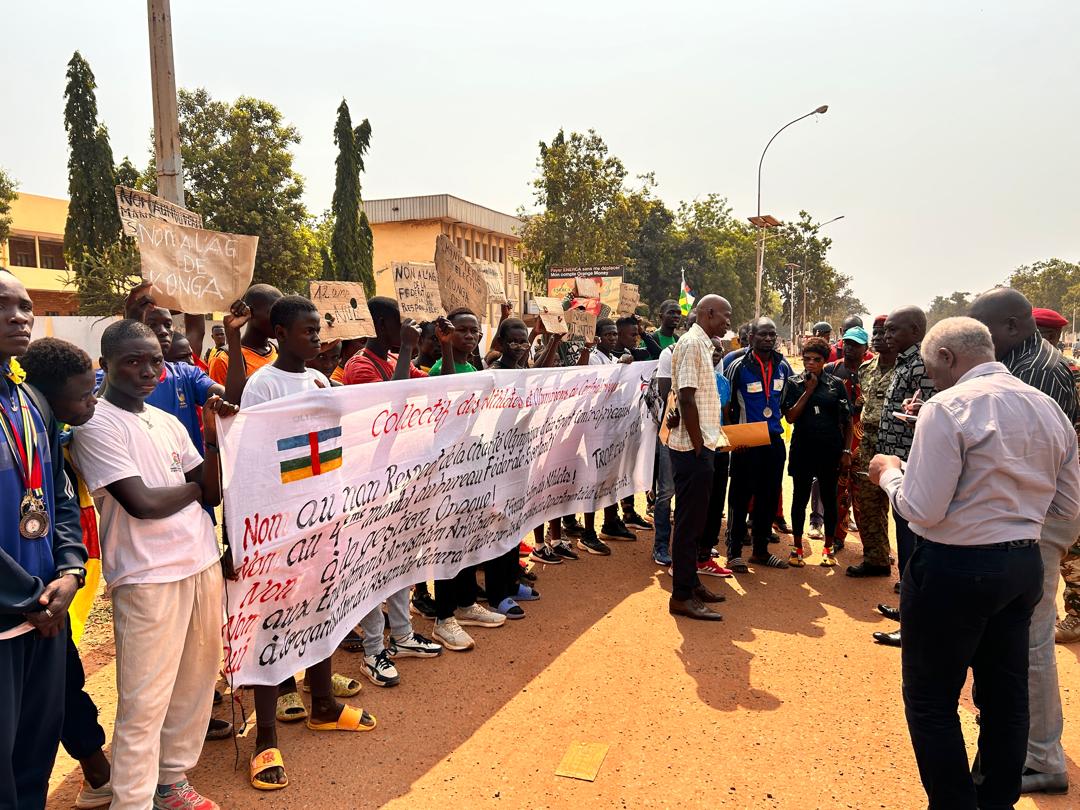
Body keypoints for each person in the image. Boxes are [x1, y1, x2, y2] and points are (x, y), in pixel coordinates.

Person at [869, 316, 1080, 810]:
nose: (932, 381)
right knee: (1006, 697)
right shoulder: (1048, 408)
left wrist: (889, 475)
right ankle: (994, 800)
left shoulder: (948, 407)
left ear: (946, 357)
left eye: (931, 368)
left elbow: (922, 510)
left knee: (931, 700)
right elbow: (1068, 508)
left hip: (953, 569)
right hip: (1023, 566)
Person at [71, 319, 234, 810]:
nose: (147, 370)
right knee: (144, 701)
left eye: (154, 361)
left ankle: (171, 783)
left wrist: (209, 438)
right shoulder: (94, 423)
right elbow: (141, 502)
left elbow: (211, 488)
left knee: (196, 682)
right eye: (133, 362)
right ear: (107, 366)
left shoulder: (164, 421)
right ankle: (133, 802)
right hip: (147, 575)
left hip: (199, 561)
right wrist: (190, 491)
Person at [239, 296, 376, 792]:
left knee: (322, 608)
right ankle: (266, 737)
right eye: (306, 330)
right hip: (279, 524)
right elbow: (251, 457)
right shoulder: (263, 384)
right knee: (273, 620)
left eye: (318, 330)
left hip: (323, 517)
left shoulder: (319, 381)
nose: (316, 338)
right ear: (279, 331)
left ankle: (322, 703)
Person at [969, 287, 1080, 795]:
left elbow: (1023, 462)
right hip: (1034, 517)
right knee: (1016, 639)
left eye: (984, 332)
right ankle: (1029, 744)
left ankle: (1040, 758)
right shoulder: (1034, 364)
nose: (978, 343)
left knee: (1031, 642)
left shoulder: (1034, 374)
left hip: (1035, 520)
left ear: (1012, 329)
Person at [0, 270, 89, 810]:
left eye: (25, 306)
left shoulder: (30, 400)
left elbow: (57, 494)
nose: (18, 316)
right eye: (2, 306)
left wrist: (71, 570)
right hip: (14, 615)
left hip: (45, 613)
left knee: (32, 762)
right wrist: (28, 595)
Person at [22, 338, 113, 809]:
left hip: (59, 576)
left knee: (63, 679)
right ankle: (97, 772)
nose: (92, 402)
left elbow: (58, 506)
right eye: (83, 396)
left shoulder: (54, 432)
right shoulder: (30, 425)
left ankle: (97, 772)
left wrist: (71, 570)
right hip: (26, 595)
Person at [340, 297, 444, 677]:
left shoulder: (392, 361)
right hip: (368, 482)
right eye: (401, 324)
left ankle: (401, 634)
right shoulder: (361, 366)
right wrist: (409, 350)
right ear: (383, 324)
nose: (409, 329)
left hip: (399, 477)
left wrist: (442, 346)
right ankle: (372, 649)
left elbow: (438, 386)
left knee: (400, 558)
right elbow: (391, 405)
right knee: (370, 566)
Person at [427, 308, 509, 649]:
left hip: (470, 465)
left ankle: (464, 605)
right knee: (447, 542)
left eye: (474, 331)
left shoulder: (473, 366)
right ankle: (443, 618)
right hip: (448, 467)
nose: (470, 335)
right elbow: (446, 398)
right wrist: (445, 348)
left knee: (464, 539)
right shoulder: (440, 366)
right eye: (462, 330)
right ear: (447, 333)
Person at [665, 294, 732, 620]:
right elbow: (686, 398)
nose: (728, 322)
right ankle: (680, 596)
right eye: (725, 316)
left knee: (697, 521)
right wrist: (697, 446)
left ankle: (691, 584)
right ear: (709, 313)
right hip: (694, 449)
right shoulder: (692, 344)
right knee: (690, 524)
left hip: (702, 444)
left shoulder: (702, 344)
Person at [725, 317, 795, 571]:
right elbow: (727, 405)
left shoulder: (783, 366)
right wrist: (736, 437)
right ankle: (733, 552)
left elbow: (784, 401)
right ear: (751, 336)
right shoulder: (737, 366)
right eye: (763, 334)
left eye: (772, 335)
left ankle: (761, 551)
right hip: (746, 441)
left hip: (774, 440)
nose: (768, 339)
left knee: (768, 496)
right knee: (740, 497)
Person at [876, 305, 936, 591]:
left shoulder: (923, 363)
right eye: (885, 330)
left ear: (914, 330)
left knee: (912, 530)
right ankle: (908, 582)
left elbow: (930, 410)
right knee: (903, 527)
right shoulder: (904, 361)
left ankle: (912, 587)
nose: (886, 335)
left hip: (911, 461)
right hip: (895, 459)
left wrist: (917, 412)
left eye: (892, 329)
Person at [780, 337, 852, 567]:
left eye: (816, 360)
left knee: (829, 499)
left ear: (824, 361)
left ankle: (828, 548)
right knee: (799, 498)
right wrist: (808, 391)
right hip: (803, 449)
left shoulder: (835, 384)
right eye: (807, 359)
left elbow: (848, 420)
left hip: (830, 450)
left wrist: (846, 450)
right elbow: (790, 417)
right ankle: (797, 547)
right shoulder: (793, 383)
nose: (810, 363)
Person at [575, 318, 634, 550]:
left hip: (612, 427)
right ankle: (588, 532)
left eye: (613, 334)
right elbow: (590, 383)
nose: (612, 338)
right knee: (593, 478)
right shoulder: (593, 357)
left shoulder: (612, 357)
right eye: (607, 334)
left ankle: (610, 522)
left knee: (611, 475)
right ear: (598, 337)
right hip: (594, 428)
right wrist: (619, 368)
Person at [847, 316, 897, 579]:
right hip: (867, 445)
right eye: (875, 333)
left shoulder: (909, 369)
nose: (879, 338)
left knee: (901, 507)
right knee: (867, 503)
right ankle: (875, 559)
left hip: (896, 445)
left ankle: (908, 571)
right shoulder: (866, 369)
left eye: (884, 333)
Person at [823, 326, 870, 551]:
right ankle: (836, 537)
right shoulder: (831, 370)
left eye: (855, 345)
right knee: (838, 492)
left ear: (865, 349)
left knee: (866, 496)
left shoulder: (872, 373)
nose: (849, 348)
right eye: (847, 344)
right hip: (838, 440)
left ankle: (871, 545)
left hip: (864, 443)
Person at [207, 283, 283, 403]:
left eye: (281, 314)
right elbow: (222, 407)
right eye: (272, 313)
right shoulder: (224, 359)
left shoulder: (279, 353)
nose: (279, 319)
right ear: (249, 312)